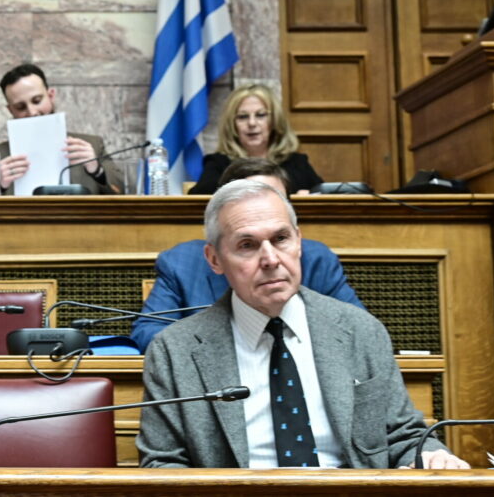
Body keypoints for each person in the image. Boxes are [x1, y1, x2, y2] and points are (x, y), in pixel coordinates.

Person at [137, 180, 468, 469]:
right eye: (247, 245)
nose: (270, 259)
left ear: (298, 241)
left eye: (280, 238)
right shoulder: (175, 351)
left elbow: (403, 436)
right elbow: (162, 463)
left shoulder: (360, 330)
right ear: (214, 259)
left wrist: (431, 456)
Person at [131, 158, 363, 351]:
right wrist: (232, 347)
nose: (270, 259)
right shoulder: (182, 264)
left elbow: (359, 331)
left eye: (271, 199)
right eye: (247, 244)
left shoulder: (317, 260)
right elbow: (149, 334)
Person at [0, 63, 121, 195]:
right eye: (20, 107)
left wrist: (97, 171)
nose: (32, 112)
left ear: (50, 96)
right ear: (10, 110)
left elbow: (123, 193)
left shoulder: (93, 145)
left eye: (37, 100)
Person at [189, 84, 322, 195]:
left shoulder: (296, 163)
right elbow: (198, 202)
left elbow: (324, 195)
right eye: (242, 117)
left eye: (260, 115)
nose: (252, 123)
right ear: (232, 125)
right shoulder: (218, 163)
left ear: (275, 121)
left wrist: (307, 200)